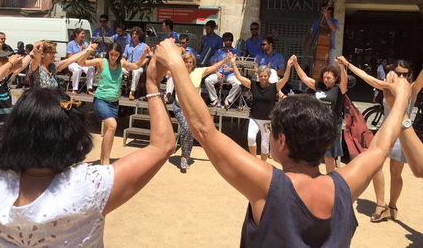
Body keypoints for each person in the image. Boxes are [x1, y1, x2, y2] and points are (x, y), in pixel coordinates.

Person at [153, 38, 411, 247]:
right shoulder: (344, 187)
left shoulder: (269, 186)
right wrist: (401, 98)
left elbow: (204, 130)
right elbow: (379, 148)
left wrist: (176, 66)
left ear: (282, 141)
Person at [0, 34, 176, 246]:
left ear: (12, 129)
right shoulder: (90, 187)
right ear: (72, 135)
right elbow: (163, 145)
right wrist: (153, 84)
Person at [337, 57, 423, 222]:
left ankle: (392, 206)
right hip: (385, 132)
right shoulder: (386, 86)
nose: (401, 77)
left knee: (395, 172)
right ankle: (380, 204)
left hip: (403, 136)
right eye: (398, 73)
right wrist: (347, 65)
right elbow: (365, 76)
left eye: (405, 74)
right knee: (376, 167)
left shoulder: (410, 90)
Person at [78, 42, 152, 164]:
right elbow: (81, 63)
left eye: (116, 55)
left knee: (109, 131)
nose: (113, 57)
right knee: (112, 126)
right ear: (108, 53)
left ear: (119, 55)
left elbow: (137, 65)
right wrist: (88, 51)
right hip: (101, 100)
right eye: (111, 54)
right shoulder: (102, 62)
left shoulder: (121, 63)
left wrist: (145, 53)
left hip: (114, 102)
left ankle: (103, 158)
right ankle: (106, 160)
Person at [173, 51, 233, 171]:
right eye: (186, 62)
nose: (189, 64)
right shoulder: (178, 72)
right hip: (179, 107)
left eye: (191, 62)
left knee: (189, 131)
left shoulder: (198, 72)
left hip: (192, 109)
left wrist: (226, 59)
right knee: (186, 128)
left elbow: (214, 67)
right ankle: (184, 156)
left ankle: (185, 155)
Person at [230, 55, 293, 160]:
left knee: (264, 145)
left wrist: (289, 66)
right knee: (250, 137)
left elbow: (285, 79)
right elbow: (239, 78)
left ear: (268, 76)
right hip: (254, 118)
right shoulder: (253, 85)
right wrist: (233, 63)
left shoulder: (274, 87)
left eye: (265, 76)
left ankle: (263, 165)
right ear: (258, 76)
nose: (263, 78)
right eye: (261, 76)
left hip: (267, 121)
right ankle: (254, 159)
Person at [293, 58, 347, 173]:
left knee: (329, 155)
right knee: (314, 153)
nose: (325, 80)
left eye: (329, 78)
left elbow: (344, 82)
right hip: (318, 124)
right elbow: (304, 78)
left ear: (335, 78)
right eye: (324, 77)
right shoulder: (319, 86)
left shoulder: (339, 89)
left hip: (332, 125)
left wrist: (342, 67)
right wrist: (296, 64)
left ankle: (331, 178)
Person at [30, 41, 95, 89]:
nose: (55, 55)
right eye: (51, 53)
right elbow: (36, 58)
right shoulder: (36, 67)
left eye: (55, 52)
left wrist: (87, 50)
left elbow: (71, 59)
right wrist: (37, 50)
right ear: (42, 54)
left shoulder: (52, 67)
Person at [204, 32, 241, 108]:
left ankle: (228, 100)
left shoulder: (237, 52)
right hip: (220, 74)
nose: (228, 42)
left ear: (232, 41)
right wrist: (217, 72)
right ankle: (214, 99)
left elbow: (238, 68)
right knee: (207, 80)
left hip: (230, 74)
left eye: (230, 40)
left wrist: (229, 68)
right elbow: (214, 64)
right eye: (226, 40)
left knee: (238, 83)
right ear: (223, 41)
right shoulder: (219, 52)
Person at [164, 34, 197, 103]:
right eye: (180, 43)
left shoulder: (191, 51)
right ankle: (168, 95)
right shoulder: (176, 50)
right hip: (176, 70)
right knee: (171, 76)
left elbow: (192, 63)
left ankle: (168, 96)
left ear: (187, 43)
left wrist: (184, 52)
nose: (182, 45)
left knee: (172, 75)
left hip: (186, 71)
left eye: (183, 43)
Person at [122, 27, 150, 100]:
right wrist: (124, 64)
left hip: (138, 67)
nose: (134, 35)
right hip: (128, 66)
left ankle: (132, 92)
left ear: (139, 35)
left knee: (136, 71)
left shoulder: (144, 46)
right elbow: (124, 57)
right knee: (118, 68)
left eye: (136, 34)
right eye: (133, 34)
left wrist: (139, 65)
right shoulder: (128, 46)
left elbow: (147, 58)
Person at [67, 28, 96, 95]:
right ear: (76, 34)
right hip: (73, 63)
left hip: (83, 62)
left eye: (84, 34)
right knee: (77, 69)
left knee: (91, 68)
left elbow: (88, 56)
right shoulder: (71, 44)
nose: (83, 35)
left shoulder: (85, 44)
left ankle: (89, 88)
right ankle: (75, 89)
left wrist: (87, 49)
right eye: (82, 33)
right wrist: (78, 59)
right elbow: (69, 56)